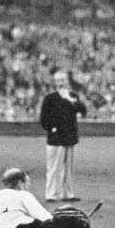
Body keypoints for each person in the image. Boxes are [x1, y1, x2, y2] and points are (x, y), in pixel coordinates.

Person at [39, 70, 87, 203]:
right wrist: (52, 129)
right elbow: (44, 119)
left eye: (62, 80)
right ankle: (51, 194)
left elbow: (83, 110)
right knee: (54, 168)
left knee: (68, 168)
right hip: (56, 139)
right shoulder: (50, 98)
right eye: (58, 80)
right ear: (54, 83)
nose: (61, 83)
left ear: (66, 81)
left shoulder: (72, 96)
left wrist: (72, 101)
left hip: (70, 138)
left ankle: (67, 193)